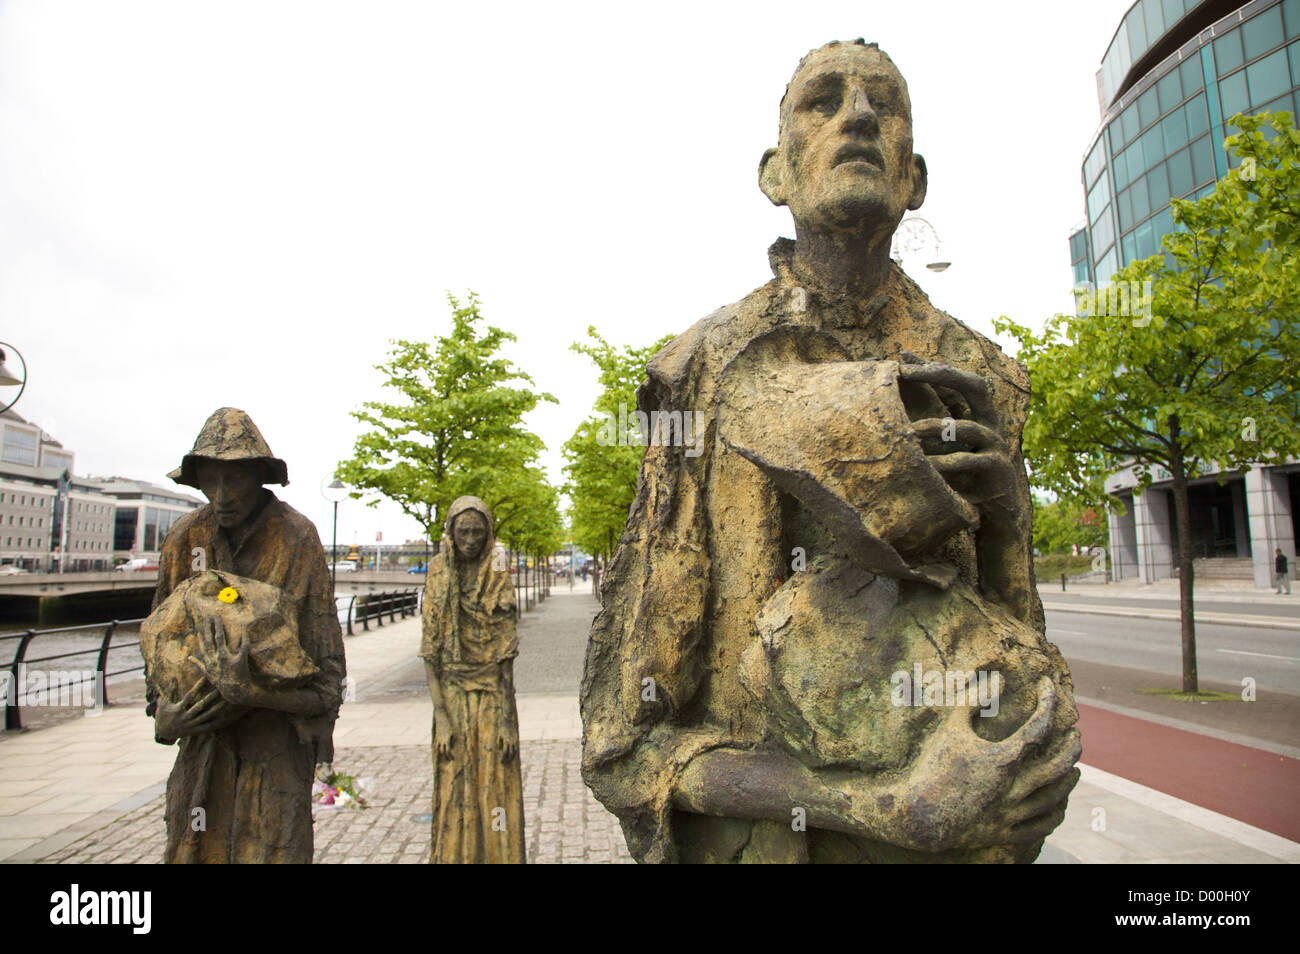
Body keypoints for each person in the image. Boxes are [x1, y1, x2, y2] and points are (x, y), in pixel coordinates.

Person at [581, 40, 1080, 863]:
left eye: (882, 103)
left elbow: (1024, 675)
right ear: (777, 174)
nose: (858, 114)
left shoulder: (982, 378)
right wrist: (873, 806)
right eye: (825, 100)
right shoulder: (697, 373)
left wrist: (1002, 520)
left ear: (913, 179)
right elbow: (625, 745)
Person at [146, 407, 346, 863]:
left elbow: (327, 682)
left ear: (259, 475)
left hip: (273, 755)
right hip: (202, 757)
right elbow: (157, 645)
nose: (221, 496)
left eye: (234, 480)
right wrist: (164, 717)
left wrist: (254, 692)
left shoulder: (296, 538)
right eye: (209, 481)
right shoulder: (184, 539)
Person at [420, 496, 525, 863]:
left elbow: (505, 659)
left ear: (488, 534)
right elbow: (430, 655)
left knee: (496, 785)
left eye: (477, 532)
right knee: (454, 789)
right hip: (450, 697)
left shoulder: (497, 571)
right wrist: (443, 719)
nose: (469, 539)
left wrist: (509, 722)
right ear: (450, 532)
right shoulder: (437, 572)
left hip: (492, 698)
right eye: (462, 531)